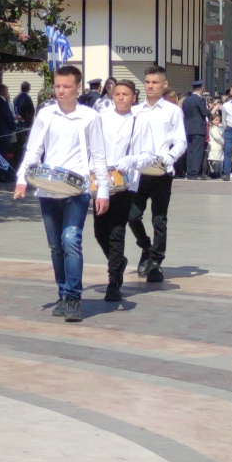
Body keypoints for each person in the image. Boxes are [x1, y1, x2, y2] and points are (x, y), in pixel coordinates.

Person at [15, 65, 111, 323]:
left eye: (66, 87)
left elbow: (99, 155)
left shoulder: (89, 117)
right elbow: (34, 150)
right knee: (56, 246)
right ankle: (62, 293)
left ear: (77, 88)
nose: (61, 91)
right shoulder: (46, 114)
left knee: (71, 239)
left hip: (77, 190)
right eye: (57, 86)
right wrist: (22, 180)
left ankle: (74, 297)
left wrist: (102, 190)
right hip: (48, 189)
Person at [128, 65, 186, 283]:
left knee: (159, 219)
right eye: (147, 82)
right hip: (139, 172)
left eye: (155, 82)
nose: (150, 86)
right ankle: (146, 246)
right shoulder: (135, 111)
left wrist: (170, 157)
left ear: (164, 84)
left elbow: (181, 141)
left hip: (162, 172)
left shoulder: (173, 111)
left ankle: (155, 262)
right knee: (132, 216)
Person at [93, 79, 142, 304]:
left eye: (126, 94)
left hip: (125, 182)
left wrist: (131, 160)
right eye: (118, 94)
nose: (121, 97)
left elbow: (145, 153)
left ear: (133, 97)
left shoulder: (138, 122)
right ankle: (118, 261)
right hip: (101, 180)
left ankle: (114, 281)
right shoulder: (102, 118)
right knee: (99, 230)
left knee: (117, 230)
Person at [180, 81, 211, 180]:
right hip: (198, 128)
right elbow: (205, 112)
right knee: (198, 151)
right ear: (201, 89)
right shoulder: (200, 99)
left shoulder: (186, 100)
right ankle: (195, 172)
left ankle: (189, 172)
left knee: (190, 151)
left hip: (188, 128)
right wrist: (211, 111)